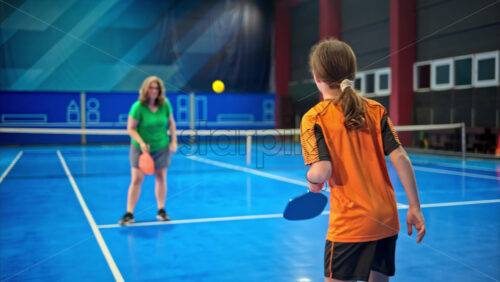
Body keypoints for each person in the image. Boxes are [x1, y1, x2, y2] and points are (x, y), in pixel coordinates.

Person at [300, 39, 425, 282]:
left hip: (351, 225)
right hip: (386, 220)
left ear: (317, 77)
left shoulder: (314, 118)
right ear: (352, 74)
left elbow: (322, 169)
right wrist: (415, 207)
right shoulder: (375, 109)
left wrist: (311, 180)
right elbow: (401, 157)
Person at [119, 76, 177, 225]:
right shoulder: (138, 107)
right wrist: (141, 142)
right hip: (140, 148)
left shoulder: (165, 105)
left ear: (160, 90)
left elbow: (171, 123)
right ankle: (129, 213)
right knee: (137, 179)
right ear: (145, 89)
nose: (153, 91)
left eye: (156, 88)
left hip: (161, 146)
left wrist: (174, 141)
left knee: (161, 178)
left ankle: (161, 210)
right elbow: (130, 129)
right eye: (150, 88)